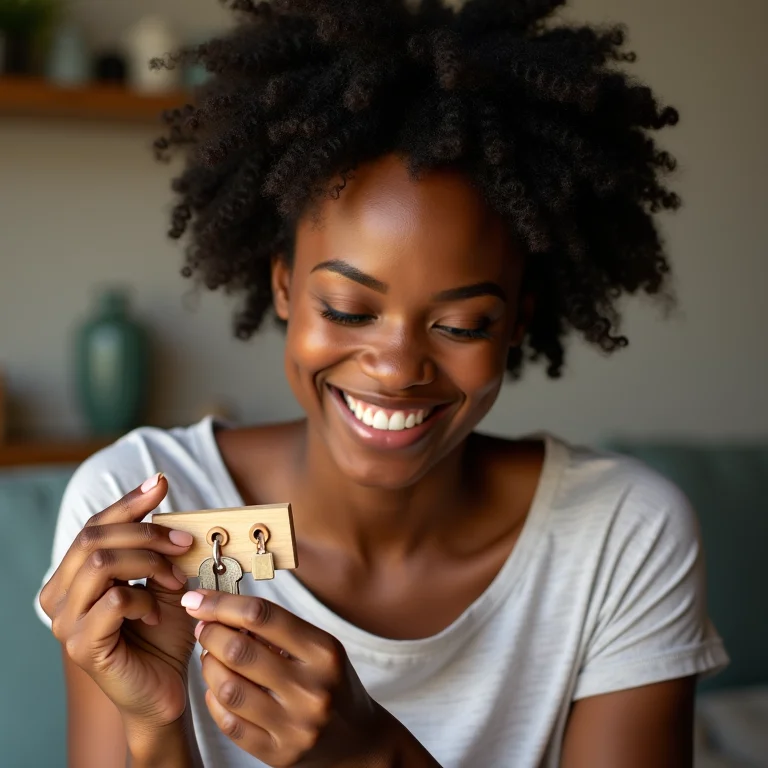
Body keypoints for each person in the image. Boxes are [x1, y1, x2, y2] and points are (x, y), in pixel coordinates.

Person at [37, 1, 729, 766]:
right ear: (283, 290)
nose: (398, 368)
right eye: (347, 308)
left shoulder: (620, 536)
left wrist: (376, 755)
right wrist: (156, 724)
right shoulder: (143, 500)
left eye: (461, 323)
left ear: (517, 323)